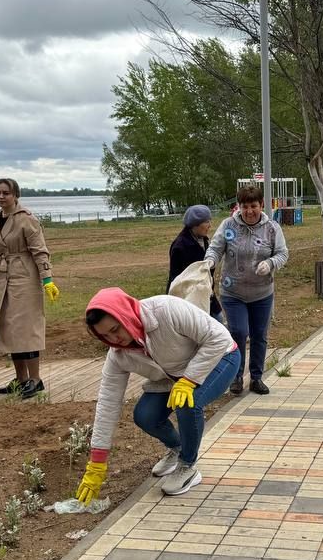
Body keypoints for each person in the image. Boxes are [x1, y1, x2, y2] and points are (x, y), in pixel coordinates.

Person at [74, 288, 240, 500]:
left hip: (221, 357)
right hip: (175, 377)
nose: (114, 338)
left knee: (188, 403)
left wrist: (189, 380)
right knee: (145, 416)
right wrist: (97, 462)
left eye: (115, 329)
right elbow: (108, 403)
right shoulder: (117, 355)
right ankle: (178, 449)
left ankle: (187, 465)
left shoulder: (165, 309)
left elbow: (219, 337)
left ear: (126, 315)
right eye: (104, 336)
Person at [0, 178, 60, 399]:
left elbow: (40, 252)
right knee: (9, 330)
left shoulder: (27, 219)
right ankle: (21, 379)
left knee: (26, 330)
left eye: (5, 193)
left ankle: (35, 380)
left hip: (25, 280)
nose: (1, 196)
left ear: (15, 195)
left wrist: (47, 280)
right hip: (4, 280)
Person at [204, 183, 288, 396]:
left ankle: (257, 378)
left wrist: (270, 263)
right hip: (233, 292)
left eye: (253, 206)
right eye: (245, 206)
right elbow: (215, 248)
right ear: (238, 206)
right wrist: (210, 261)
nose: (249, 211)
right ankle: (236, 376)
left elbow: (282, 253)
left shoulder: (272, 228)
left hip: (262, 293)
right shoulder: (228, 225)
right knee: (239, 332)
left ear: (261, 205)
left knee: (259, 334)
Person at [168, 204, 222, 320]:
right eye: (206, 222)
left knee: (218, 318)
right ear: (195, 224)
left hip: (207, 294)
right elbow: (176, 277)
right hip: (190, 299)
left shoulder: (204, 240)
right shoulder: (180, 246)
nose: (210, 225)